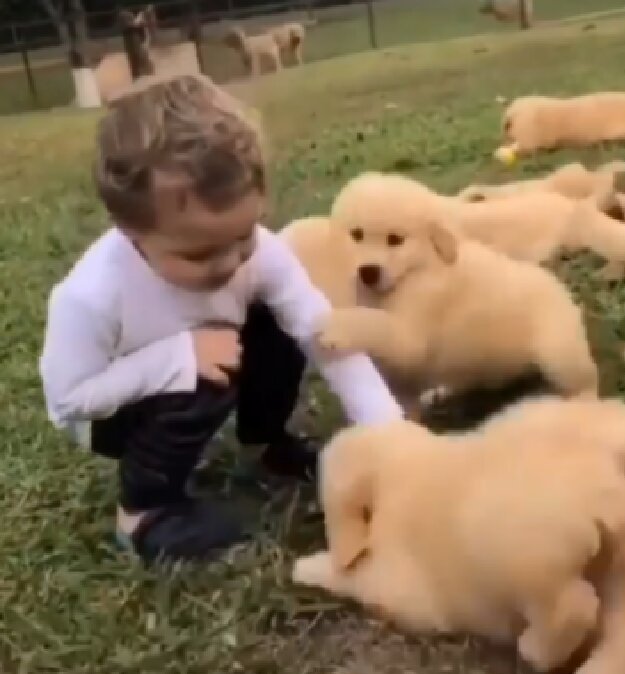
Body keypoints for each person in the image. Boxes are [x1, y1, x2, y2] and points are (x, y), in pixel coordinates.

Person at [38, 74, 403, 565]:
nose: (232, 262)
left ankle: (264, 442)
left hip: (210, 359)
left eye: (244, 235)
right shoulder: (90, 296)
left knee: (283, 323)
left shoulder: (262, 256)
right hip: (116, 414)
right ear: (130, 231)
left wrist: (392, 440)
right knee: (201, 365)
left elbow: (326, 336)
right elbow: (68, 401)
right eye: (200, 252)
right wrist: (176, 358)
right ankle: (144, 512)